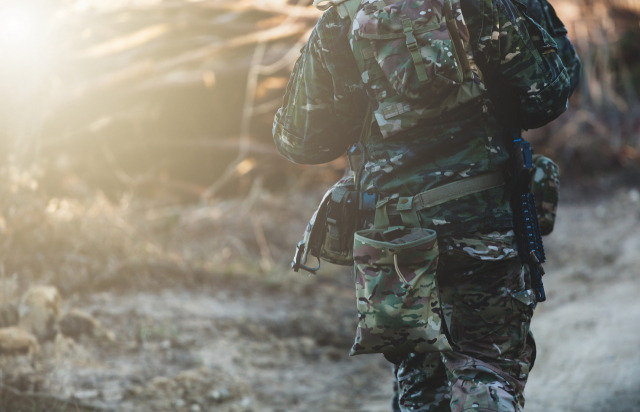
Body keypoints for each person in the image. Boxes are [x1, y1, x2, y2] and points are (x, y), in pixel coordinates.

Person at [272, 0, 580, 410]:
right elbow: (549, 96)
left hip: (394, 239)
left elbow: (302, 141)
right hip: (485, 224)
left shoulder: (344, 16)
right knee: (487, 368)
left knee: (421, 382)